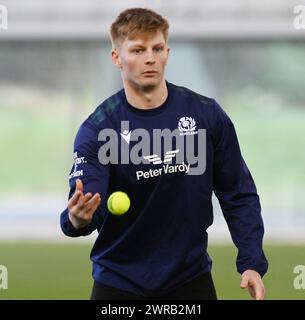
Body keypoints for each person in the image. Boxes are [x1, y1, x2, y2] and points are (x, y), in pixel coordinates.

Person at [60, 7, 268, 300]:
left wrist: (252, 262)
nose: (150, 58)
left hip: (190, 280)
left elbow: (238, 193)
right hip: (119, 284)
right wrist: (78, 219)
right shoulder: (98, 129)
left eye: (157, 48)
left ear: (167, 53)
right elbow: (87, 204)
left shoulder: (207, 115)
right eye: (138, 49)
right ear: (117, 58)